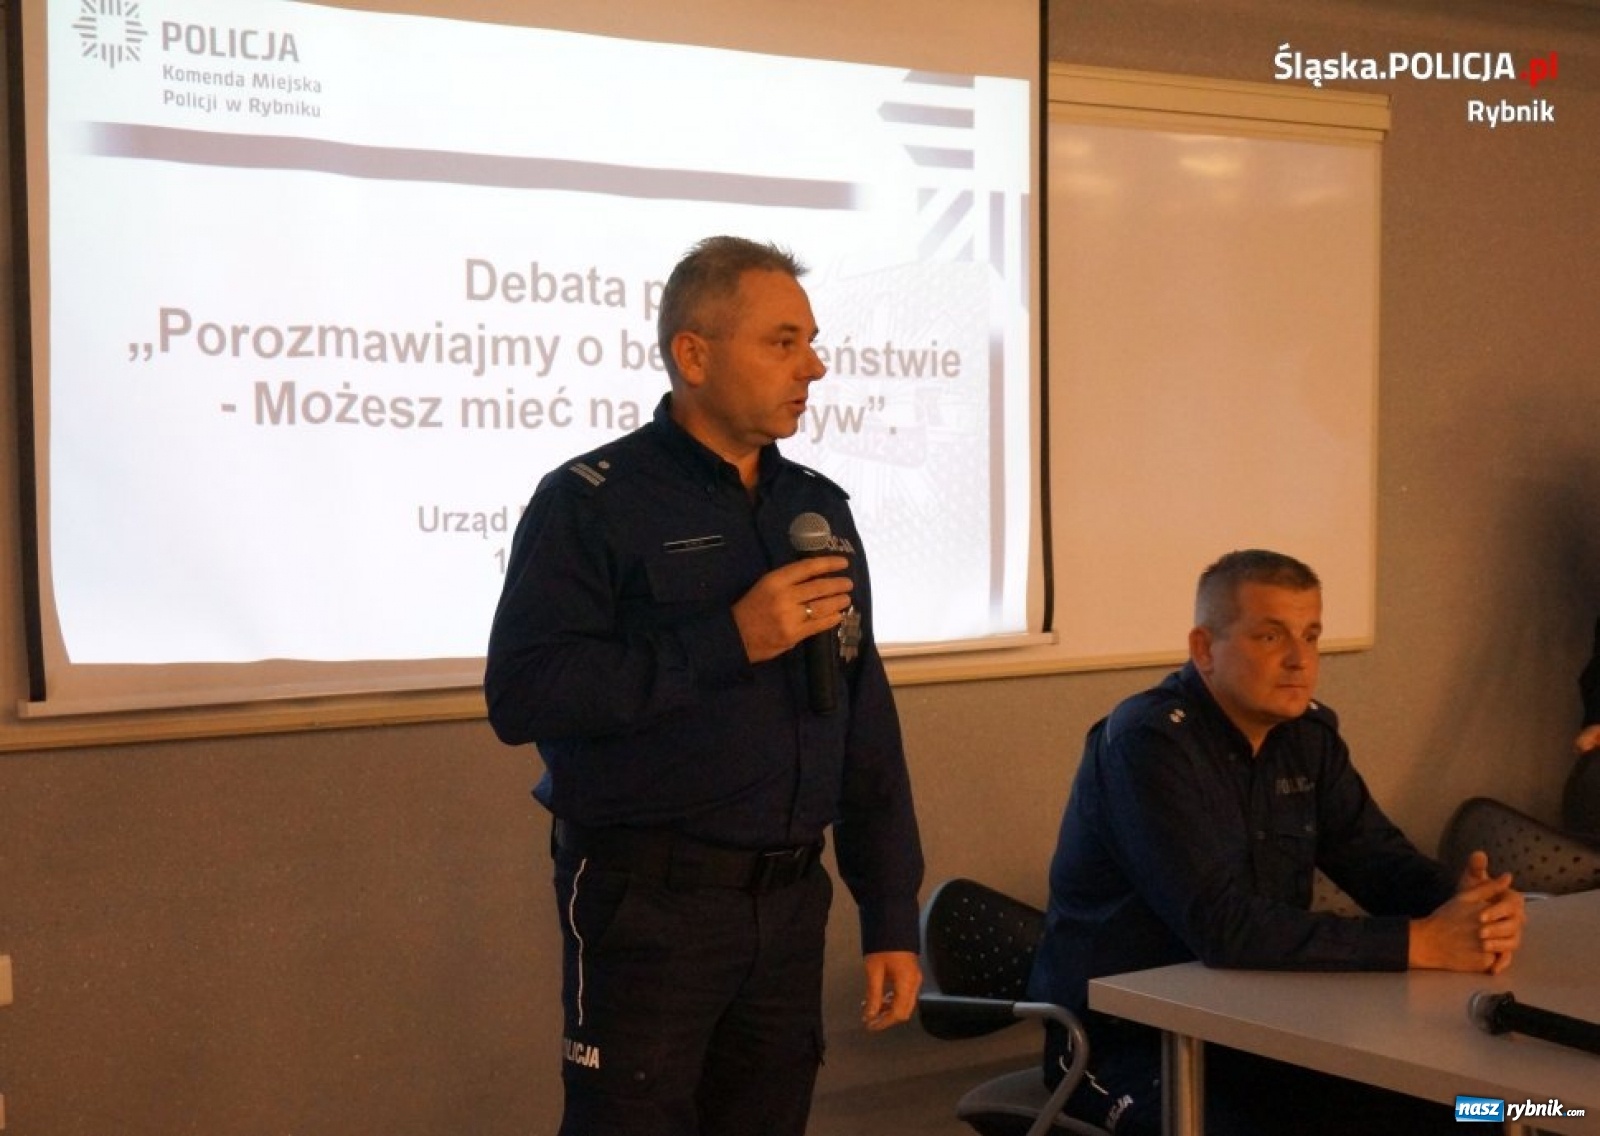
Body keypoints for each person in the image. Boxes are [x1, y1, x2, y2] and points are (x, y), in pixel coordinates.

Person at [484, 235, 924, 1136]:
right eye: (783, 342)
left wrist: (889, 909)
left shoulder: (817, 509)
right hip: (648, 907)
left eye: (811, 342)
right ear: (693, 355)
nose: (815, 367)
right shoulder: (592, 502)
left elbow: (862, 719)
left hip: (790, 906)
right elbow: (525, 694)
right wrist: (730, 639)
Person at [1026, 549, 1527, 1136]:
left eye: (1311, 636)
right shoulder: (1148, 745)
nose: (1299, 660)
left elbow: (1377, 859)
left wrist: (1468, 906)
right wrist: (1421, 941)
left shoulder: (1307, 735)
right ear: (1204, 649)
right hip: (1123, 1044)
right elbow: (1223, 927)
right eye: (1270, 637)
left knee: (1482, 1112)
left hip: (1267, 1029)